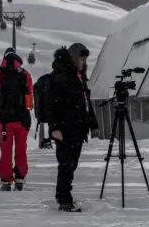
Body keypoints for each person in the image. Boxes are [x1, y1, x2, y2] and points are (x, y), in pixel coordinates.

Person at [48, 43, 100, 212]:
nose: (83, 62)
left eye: (85, 60)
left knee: (71, 164)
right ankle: (64, 200)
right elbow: (52, 104)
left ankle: (63, 196)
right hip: (64, 129)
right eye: (81, 59)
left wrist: (93, 124)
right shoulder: (60, 77)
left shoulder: (79, 77)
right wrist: (55, 127)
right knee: (66, 164)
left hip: (77, 128)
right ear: (73, 58)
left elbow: (85, 103)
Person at [0, 47, 33, 191]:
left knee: (5, 150)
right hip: (22, 120)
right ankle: (20, 178)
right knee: (21, 149)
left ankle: (6, 180)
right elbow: (30, 103)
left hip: (5, 121)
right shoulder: (26, 74)